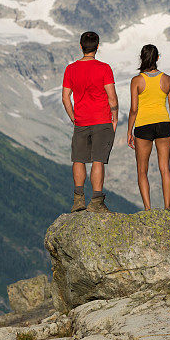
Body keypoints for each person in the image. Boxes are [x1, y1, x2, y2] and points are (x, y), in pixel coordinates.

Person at [61, 31, 118, 213]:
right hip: (102, 120)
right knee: (98, 160)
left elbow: (65, 97)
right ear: (97, 47)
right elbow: (112, 98)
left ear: (81, 46)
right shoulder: (104, 68)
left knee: (78, 159)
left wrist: (73, 117)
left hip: (81, 121)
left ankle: (78, 200)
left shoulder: (71, 69)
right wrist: (114, 117)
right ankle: (96, 202)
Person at [126, 44, 170, 210]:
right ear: (158, 58)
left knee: (142, 170)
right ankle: (167, 208)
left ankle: (148, 209)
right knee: (165, 169)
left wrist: (129, 131)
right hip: (164, 124)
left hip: (143, 126)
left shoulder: (137, 81)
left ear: (142, 58)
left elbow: (134, 109)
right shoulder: (167, 79)